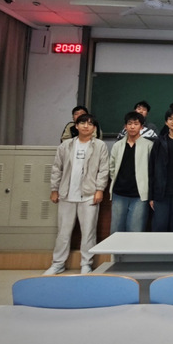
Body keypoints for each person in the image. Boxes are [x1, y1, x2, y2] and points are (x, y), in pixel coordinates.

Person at [44, 114, 108, 275]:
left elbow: (103, 170)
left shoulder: (100, 146)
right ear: (76, 126)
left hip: (89, 195)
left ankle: (86, 264)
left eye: (90, 124)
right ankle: (58, 263)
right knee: (63, 232)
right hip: (66, 194)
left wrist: (99, 189)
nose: (86, 126)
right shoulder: (66, 145)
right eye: (82, 123)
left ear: (94, 128)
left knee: (88, 232)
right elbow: (57, 168)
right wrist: (54, 189)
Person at [109, 111, 153, 233]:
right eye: (129, 124)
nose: (132, 127)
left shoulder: (149, 146)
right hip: (119, 193)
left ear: (142, 127)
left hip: (139, 195)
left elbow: (152, 170)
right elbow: (111, 167)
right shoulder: (118, 145)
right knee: (116, 229)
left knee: (135, 229)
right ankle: (116, 248)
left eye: (136, 124)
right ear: (125, 126)